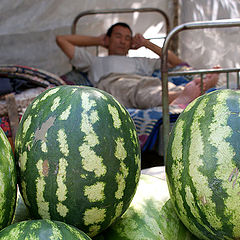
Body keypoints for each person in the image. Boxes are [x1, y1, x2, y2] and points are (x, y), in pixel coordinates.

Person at [56, 22, 218, 109]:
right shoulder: (94, 61)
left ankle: (184, 93)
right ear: (108, 39)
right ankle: (186, 94)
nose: (123, 41)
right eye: (118, 36)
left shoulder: (140, 61)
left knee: (156, 85)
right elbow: (62, 40)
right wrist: (99, 41)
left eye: (127, 38)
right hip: (114, 82)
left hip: (145, 81)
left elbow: (178, 63)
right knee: (135, 90)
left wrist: (147, 44)